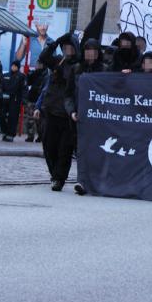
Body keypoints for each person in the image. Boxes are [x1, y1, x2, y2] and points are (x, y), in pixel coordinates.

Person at [35, 34, 78, 191]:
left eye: (70, 47)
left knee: (64, 149)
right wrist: (56, 43)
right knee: (49, 145)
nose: (67, 50)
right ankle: (54, 174)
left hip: (66, 113)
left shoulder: (77, 65)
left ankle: (59, 178)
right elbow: (43, 57)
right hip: (51, 110)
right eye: (65, 47)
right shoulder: (58, 60)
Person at [66, 37, 107, 196]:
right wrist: (72, 111)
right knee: (81, 150)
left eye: (93, 51)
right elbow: (68, 94)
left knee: (97, 150)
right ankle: (82, 181)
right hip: (80, 116)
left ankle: (95, 181)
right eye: (87, 51)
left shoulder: (104, 69)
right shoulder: (76, 69)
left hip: (98, 117)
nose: (90, 54)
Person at [0, 60, 27, 142]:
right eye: (12, 65)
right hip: (4, 99)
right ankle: (4, 131)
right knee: (0, 114)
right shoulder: (5, 75)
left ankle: (10, 134)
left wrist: (23, 100)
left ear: (18, 67)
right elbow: (0, 86)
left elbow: (24, 89)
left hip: (15, 99)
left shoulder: (21, 77)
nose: (13, 67)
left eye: (15, 66)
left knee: (13, 117)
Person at [24, 60, 47, 142]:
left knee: (39, 120)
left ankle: (40, 136)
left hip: (39, 100)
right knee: (30, 119)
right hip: (32, 98)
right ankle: (30, 136)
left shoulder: (45, 75)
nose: (37, 65)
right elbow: (28, 82)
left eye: (39, 64)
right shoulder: (34, 73)